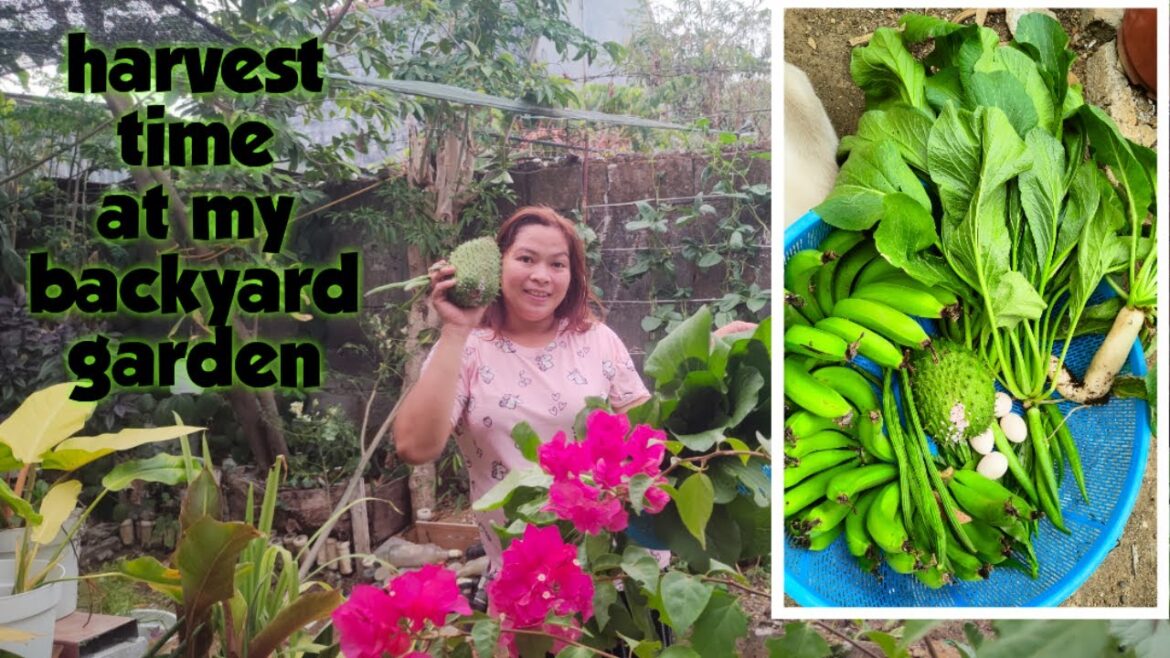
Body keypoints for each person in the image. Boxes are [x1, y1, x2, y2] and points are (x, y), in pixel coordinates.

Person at [392, 205, 758, 575]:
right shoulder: (467, 348)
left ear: (573, 274)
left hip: (623, 565)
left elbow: (650, 431)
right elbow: (414, 447)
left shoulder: (595, 339)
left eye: (557, 264)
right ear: (499, 264)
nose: (541, 276)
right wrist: (455, 329)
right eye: (526, 259)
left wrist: (702, 354)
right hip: (528, 577)